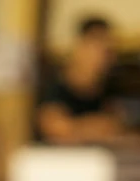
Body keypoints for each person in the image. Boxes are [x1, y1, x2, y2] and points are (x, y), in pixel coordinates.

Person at [37, 16, 125, 145]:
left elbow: (117, 126)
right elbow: (57, 130)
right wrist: (96, 127)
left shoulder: (108, 89)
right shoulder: (54, 85)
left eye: (108, 51)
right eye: (97, 47)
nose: (103, 58)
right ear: (80, 46)